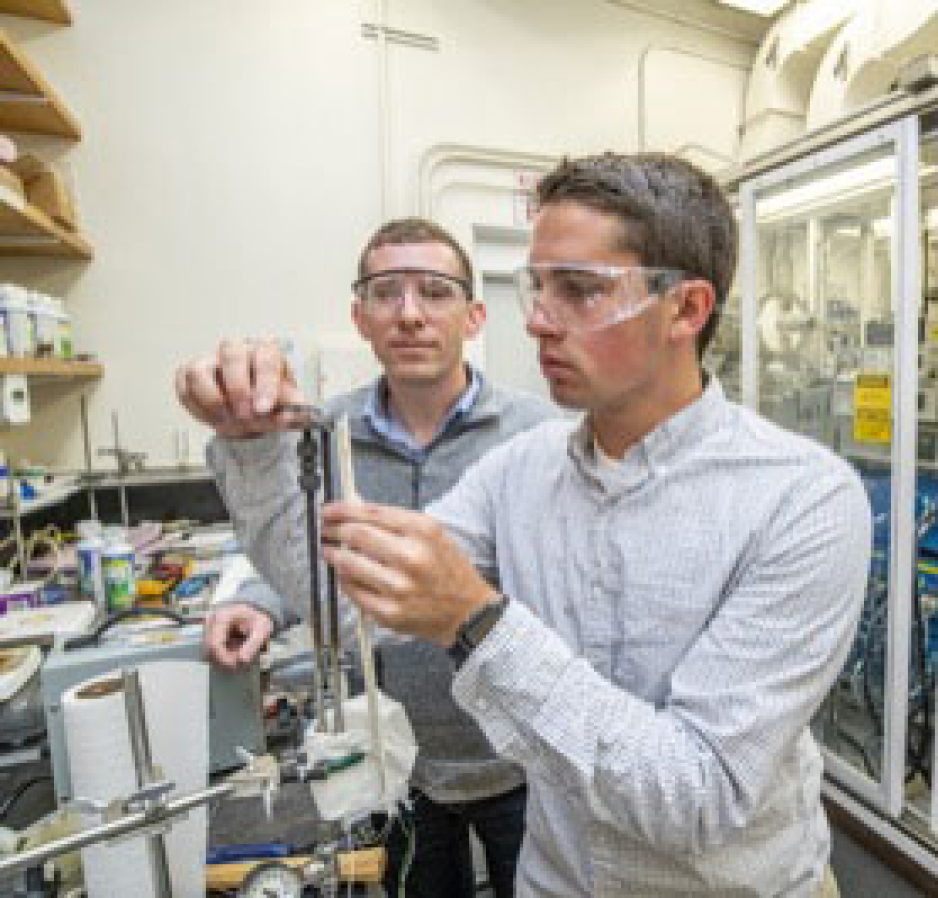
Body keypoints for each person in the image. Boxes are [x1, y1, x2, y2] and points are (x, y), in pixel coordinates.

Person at [183, 153, 869, 897]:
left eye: (579, 291)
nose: (540, 320)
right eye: (535, 287)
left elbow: (696, 795)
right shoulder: (523, 469)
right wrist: (252, 447)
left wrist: (477, 622)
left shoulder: (803, 501)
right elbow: (350, 600)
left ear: (687, 310)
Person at [176, 217, 553, 897]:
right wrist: (256, 599)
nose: (409, 314)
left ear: (473, 316)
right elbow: (304, 556)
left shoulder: (536, 434)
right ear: (360, 316)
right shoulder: (321, 433)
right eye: (387, 293)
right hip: (395, 761)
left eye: (434, 292)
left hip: (518, 760)